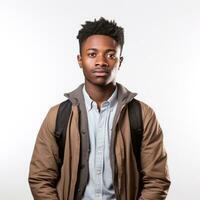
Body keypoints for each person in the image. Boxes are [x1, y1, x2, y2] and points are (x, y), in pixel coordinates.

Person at [28, 17, 170, 200]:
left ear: (120, 61)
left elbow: (157, 180)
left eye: (110, 55)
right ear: (80, 59)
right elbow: (40, 178)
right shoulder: (57, 116)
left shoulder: (143, 115)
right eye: (92, 54)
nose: (101, 62)